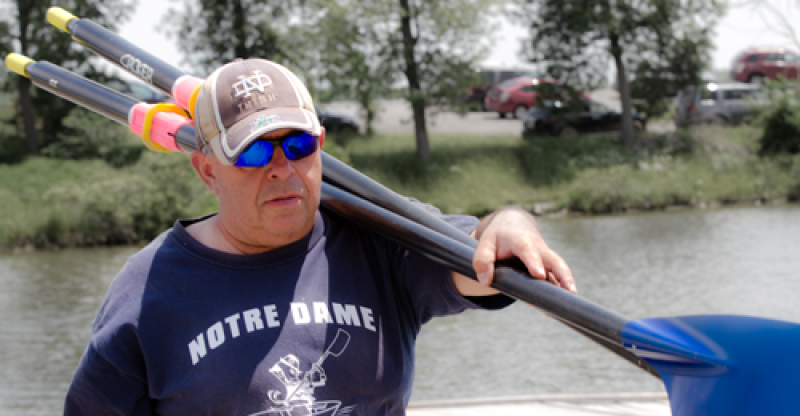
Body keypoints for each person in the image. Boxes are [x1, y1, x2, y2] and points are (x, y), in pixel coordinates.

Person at [63, 58, 576, 415]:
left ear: (321, 146)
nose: (282, 169)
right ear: (207, 171)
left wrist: (510, 222)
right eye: (255, 153)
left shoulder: (377, 234)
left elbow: (478, 262)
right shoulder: (146, 291)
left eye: (299, 144)